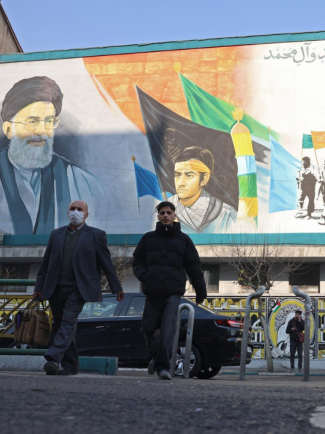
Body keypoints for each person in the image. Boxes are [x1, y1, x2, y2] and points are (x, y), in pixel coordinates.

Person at [32, 200, 124, 376]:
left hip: (78, 289)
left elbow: (106, 262)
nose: (76, 212)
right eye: (72, 209)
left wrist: (116, 287)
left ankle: (53, 358)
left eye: (79, 209)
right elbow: (46, 263)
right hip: (55, 288)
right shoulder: (56, 234)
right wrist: (39, 286)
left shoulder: (96, 235)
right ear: (68, 213)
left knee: (68, 321)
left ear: (86, 214)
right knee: (60, 324)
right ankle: (71, 365)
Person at [0, 77, 101, 235]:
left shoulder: (80, 180)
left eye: (48, 122)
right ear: (8, 129)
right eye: (32, 122)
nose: (42, 131)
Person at [132, 201, 207, 380]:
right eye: (162, 213)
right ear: (158, 216)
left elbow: (194, 267)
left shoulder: (184, 240)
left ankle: (163, 367)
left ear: (174, 215)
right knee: (148, 329)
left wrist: (201, 292)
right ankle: (155, 356)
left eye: (168, 212)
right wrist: (145, 276)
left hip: (173, 293)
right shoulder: (148, 238)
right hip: (152, 293)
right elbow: (137, 261)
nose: (165, 215)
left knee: (167, 331)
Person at [169, 146, 237, 233]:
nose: (181, 183)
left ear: (204, 179)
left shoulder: (226, 215)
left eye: (189, 175)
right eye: (178, 175)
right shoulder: (160, 212)